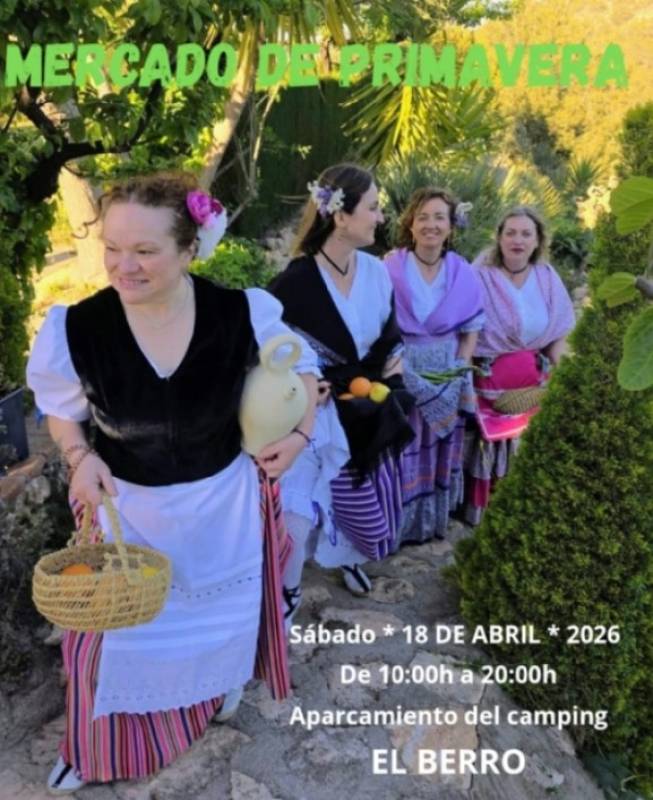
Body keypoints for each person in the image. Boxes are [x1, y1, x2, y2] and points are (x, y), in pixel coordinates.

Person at [26, 172, 319, 792]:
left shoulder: (242, 311)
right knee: (112, 640)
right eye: (112, 247)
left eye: (144, 250)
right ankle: (97, 750)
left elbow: (304, 373)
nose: (122, 266)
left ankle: (217, 691)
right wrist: (79, 457)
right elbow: (61, 411)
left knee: (217, 622)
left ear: (189, 249)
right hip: (126, 509)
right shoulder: (75, 327)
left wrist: (298, 438)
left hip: (225, 504)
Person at [269, 163, 415, 621]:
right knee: (297, 509)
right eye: (373, 207)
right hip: (312, 412)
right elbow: (271, 349)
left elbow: (390, 335)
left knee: (353, 494)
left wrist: (390, 381)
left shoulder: (375, 271)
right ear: (340, 216)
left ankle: (347, 559)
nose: (381, 217)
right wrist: (305, 385)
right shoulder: (296, 281)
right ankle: (287, 592)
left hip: (366, 405)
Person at [464, 205, 575, 524]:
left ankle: (523, 515)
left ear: (538, 240)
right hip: (488, 389)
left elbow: (558, 334)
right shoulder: (479, 274)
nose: (518, 240)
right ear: (499, 237)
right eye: (510, 233)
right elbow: (466, 332)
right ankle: (488, 516)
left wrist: (568, 375)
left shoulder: (547, 277)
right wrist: (464, 385)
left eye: (526, 234)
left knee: (531, 456)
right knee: (492, 453)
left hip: (533, 389)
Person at [384, 187, 484, 542]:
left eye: (440, 217)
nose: (431, 225)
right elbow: (377, 322)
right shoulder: (389, 266)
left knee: (438, 450)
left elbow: (471, 331)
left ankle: (429, 525)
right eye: (423, 217)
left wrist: (458, 374)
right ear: (410, 224)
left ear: (451, 226)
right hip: (402, 372)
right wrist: (396, 369)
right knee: (403, 448)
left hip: (448, 376)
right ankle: (396, 528)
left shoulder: (463, 272)